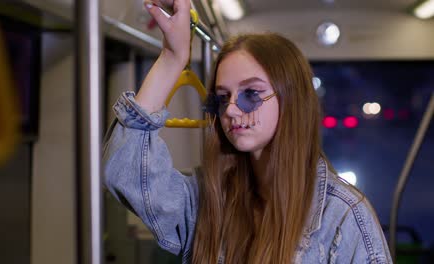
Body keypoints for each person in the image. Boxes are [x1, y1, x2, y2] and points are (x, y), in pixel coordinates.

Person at [103, 0, 393, 263]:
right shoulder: (210, 200)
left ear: (290, 99)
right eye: (223, 97)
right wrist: (171, 58)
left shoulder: (342, 217)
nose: (230, 109)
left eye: (250, 94)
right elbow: (124, 170)